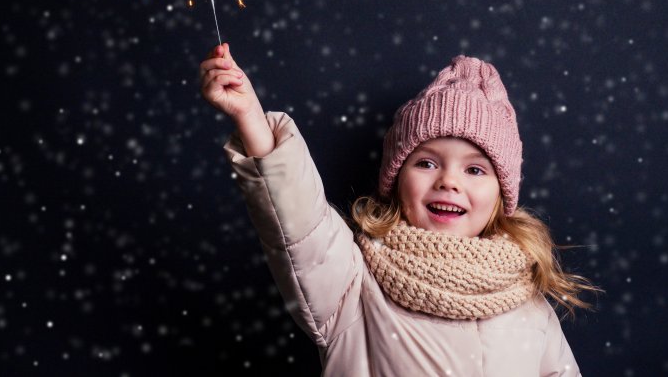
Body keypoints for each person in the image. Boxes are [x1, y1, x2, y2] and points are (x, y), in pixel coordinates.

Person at [201, 43, 598, 376]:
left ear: (501, 194)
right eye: (426, 162)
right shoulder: (351, 284)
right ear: (396, 178)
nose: (449, 181)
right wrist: (252, 119)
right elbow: (297, 224)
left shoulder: (528, 303)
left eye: (475, 169)